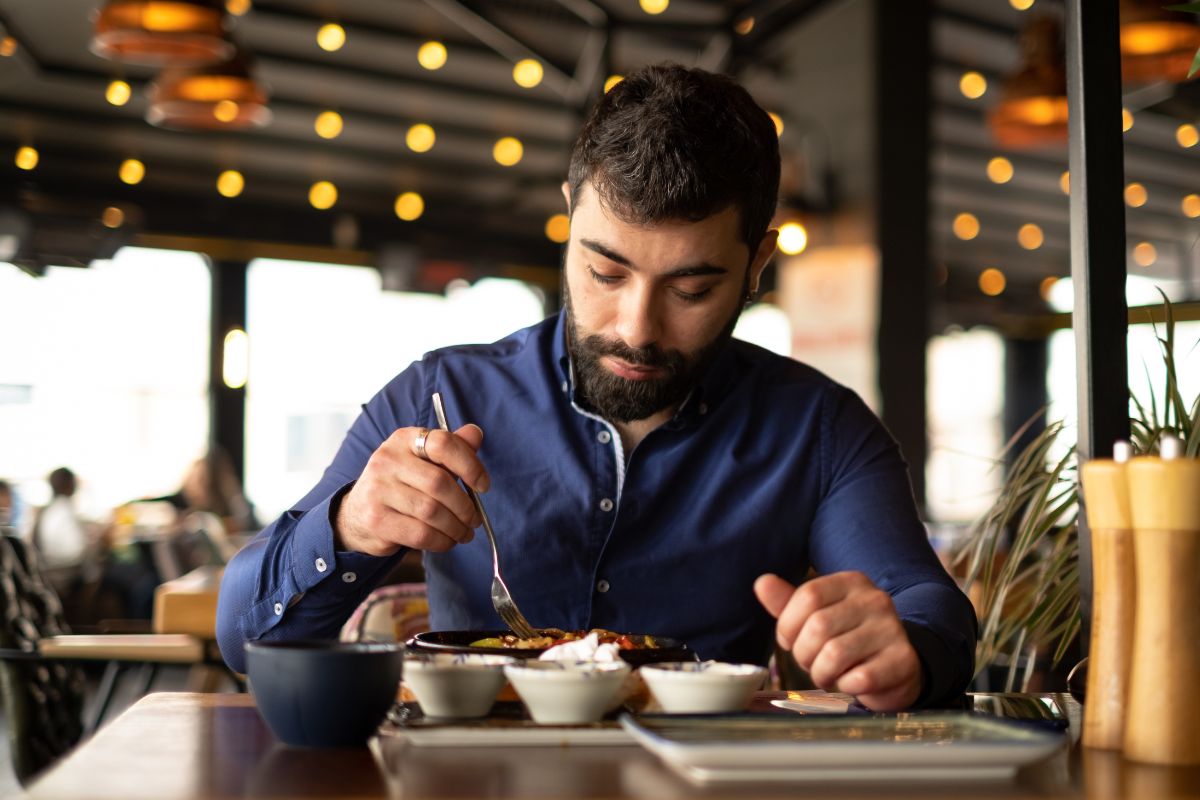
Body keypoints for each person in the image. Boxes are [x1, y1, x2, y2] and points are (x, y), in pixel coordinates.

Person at [217, 64, 977, 710]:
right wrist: (348, 526)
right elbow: (241, 637)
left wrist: (902, 648)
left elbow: (928, 606)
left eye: (691, 288)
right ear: (569, 220)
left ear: (757, 264)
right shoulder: (441, 396)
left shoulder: (818, 430)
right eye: (605, 272)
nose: (636, 328)